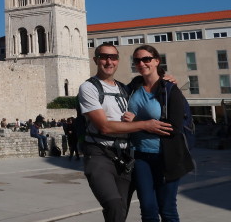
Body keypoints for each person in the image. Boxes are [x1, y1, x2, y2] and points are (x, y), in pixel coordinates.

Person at [78, 43, 173, 222]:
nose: (109, 61)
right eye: (104, 57)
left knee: (121, 211)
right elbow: (104, 126)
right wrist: (145, 125)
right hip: (99, 153)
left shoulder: (125, 88)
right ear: (96, 60)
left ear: (118, 60)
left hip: (124, 157)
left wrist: (166, 80)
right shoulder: (88, 88)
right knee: (113, 204)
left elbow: (147, 83)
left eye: (113, 57)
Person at [123, 45, 194, 222]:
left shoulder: (170, 89)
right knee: (147, 208)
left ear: (156, 61)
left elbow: (174, 128)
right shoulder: (133, 87)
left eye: (146, 59)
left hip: (166, 157)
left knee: (167, 209)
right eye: (137, 60)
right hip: (140, 157)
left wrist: (138, 124)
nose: (142, 63)